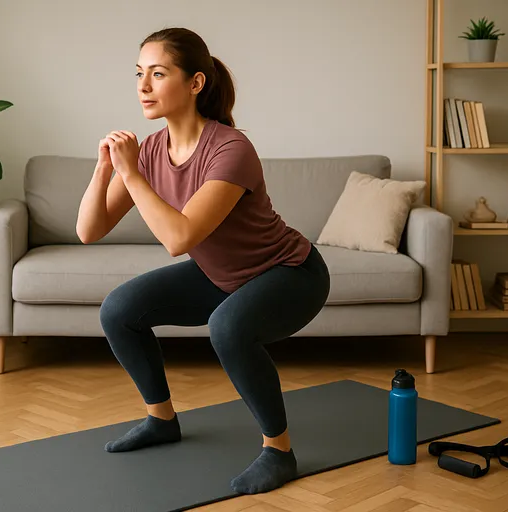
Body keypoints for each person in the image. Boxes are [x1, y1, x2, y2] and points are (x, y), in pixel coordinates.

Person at [75, 27, 330, 495]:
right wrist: (104, 168)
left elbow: (179, 237)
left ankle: (279, 451)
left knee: (228, 328)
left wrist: (130, 172)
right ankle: (161, 420)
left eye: (158, 73)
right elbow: (89, 231)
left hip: (290, 273)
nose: (143, 86)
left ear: (195, 83)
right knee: (119, 310)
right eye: (139, 74)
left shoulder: (230, 149)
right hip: (222, 275)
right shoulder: (151, 150)